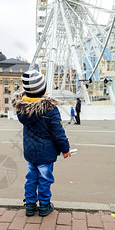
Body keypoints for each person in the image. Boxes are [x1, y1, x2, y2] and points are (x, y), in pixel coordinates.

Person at [12, 70, 71, 217]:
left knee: (31, 177)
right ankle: (44, 205)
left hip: (30, 152)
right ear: (43, 90)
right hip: (46, 153)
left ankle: (30, 205)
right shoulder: (50, 109)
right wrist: (66, 149)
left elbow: (33, 103)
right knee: (45, 179)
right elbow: (58, 133)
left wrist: (37, 98)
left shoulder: (22, 109)